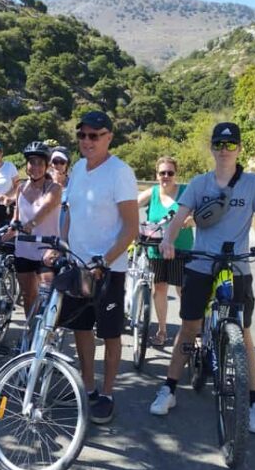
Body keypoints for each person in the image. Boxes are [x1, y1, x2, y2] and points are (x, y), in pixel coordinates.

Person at [150, 122, 255, 435]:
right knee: (189, 328)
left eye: (230, 145)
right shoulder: (200, 184)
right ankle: (170, 389)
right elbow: (178, 220)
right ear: (212, 148)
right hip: (202, 265)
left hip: (238, 268)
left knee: (243, 334)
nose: (224, 150)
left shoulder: (254, 184)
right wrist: (167, 240)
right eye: (218, 144)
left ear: (240, 148)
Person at [60, 111, 139, 424]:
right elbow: (68, 210)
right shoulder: (78, 168)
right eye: (82, 135)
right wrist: (63, 241)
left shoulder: (120, 173)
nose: (87, 141)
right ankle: (88, 387)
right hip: (78, 265)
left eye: (95, 135)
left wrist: (104, 261)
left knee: (109, 333)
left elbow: (131, 227)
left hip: (108, 269)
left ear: (109, 137)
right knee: (80, 328)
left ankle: (107, 393)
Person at [137, 156, 194, 346]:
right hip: (157, 249)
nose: (166, 176)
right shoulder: (152, 193)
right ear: (157, 174)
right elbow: (130, 205)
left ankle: (189, 332)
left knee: (183, 291)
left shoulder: (186, 192)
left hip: (181, 249)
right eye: (162, 173)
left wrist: (192, 220)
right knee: (159, 288)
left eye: (170, 173)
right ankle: (162, 330)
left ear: (175, 174)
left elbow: (199, 214)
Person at [11, 141, 62, 314]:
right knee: (28, 294)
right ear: (26, 165)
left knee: (46, 293)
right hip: (24, 248)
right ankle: (30, 333)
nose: (36, 167)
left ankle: (48, 331)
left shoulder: (54, 188)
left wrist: (31, 225)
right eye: (32, 162)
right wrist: (0, 235)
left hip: (46, 249)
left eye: (40, 163)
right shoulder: (20, 187)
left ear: (47, 166)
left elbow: (46, 208)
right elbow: (15, 219)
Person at [49, 145, 71, 237]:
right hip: (48, 231)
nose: (58, 165)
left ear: (67, 164)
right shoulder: (45, 183)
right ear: (51, 164)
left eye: (62, 162)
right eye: (55, 162)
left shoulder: (73, 184)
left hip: (67, 232)